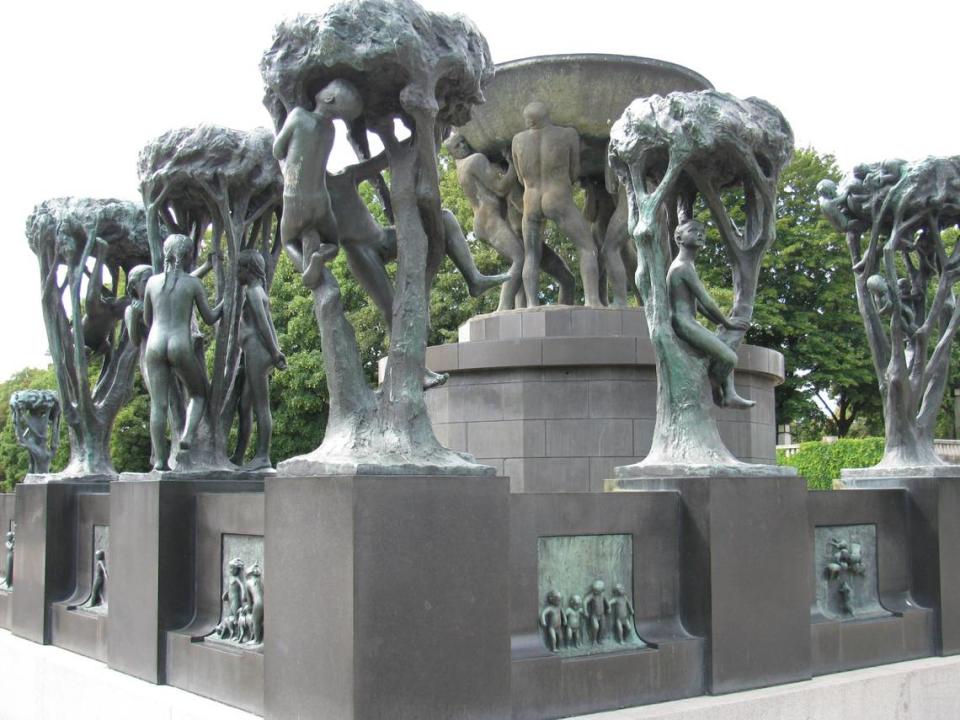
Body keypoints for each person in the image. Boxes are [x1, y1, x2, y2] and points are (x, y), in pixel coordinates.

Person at [272, 79, 364, 288]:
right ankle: (320, 257)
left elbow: (277, 150)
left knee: (287, 241)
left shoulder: (298, 115)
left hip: (295, 199)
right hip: (321, 201)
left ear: (328, 97)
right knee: (333, 243)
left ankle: (306, 269)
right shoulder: (330, 131)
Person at [143, 234, 223, 470]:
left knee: (158, 405)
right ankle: (187, 437)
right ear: (188, 257)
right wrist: (224, 304)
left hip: (154, 344)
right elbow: (209, 318)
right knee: (199, 394)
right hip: (179, 343)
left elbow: (148, 319)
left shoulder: (152, 283)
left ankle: (160, 461)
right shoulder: (192, 284)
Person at [511, 101, 602, 307]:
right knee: (587, 247)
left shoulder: (517, 140)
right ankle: (592, 300)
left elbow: (519, 176)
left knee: (532, 254)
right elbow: (574, 171)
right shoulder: (567, 134)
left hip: (531, 199)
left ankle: (532, 304)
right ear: (547, 116)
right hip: (557, 195)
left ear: (529, 121)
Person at [667, 220, 754, 409]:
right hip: (683, 323)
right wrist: (729, 324)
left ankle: (729, 394)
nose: (700, 234)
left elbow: (698, 306)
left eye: (702, 231)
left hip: (689, 321)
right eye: (693, 230)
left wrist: (721, 322)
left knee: (724, 345)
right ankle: (714, 384)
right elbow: (707, 301)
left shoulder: (688, 265)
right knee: (730, 358)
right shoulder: (682, 267)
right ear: (679, 238)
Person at [230, 250, 286, 469]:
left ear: (247, 270)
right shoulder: (257, 291)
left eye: (238, 268)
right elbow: (270, 323)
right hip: (254, 351)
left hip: (257, 352)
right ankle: (239, 455)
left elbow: (263, 325)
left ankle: (263, 456)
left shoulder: (254, 292)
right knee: (244, 406)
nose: (236, 272)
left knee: (261, 406)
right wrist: (276, 351)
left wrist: (274, 352)